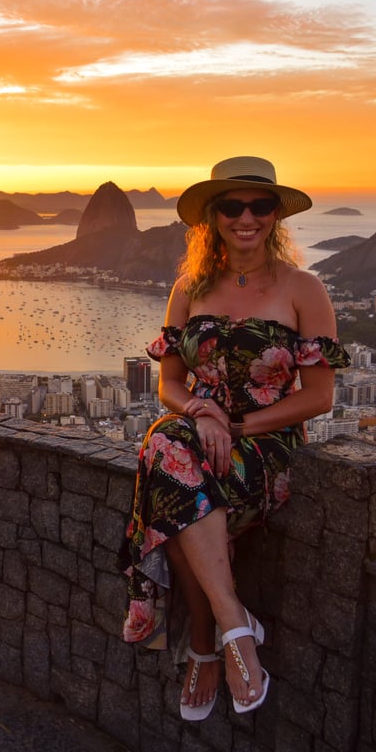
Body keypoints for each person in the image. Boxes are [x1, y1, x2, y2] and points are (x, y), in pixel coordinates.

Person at [119, 156, 350, 719]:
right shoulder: (188, 288)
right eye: (232, 206)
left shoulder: (303, 288)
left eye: (260, 205)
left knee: (167, 473)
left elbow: (320, 397)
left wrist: (236, 426)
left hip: (268, 448)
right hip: (196, 435)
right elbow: (170, 382)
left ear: (276, 215)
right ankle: (232, 627)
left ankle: (205, 643)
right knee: (173, 454)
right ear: (213, 217)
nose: (246, 217)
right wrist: (202, 412)